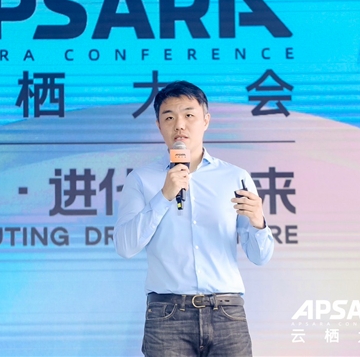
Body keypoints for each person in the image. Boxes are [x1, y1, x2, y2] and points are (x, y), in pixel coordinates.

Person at [114, 80, 274, 357]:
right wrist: (164, 196)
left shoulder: (235, 177)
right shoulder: (141, 179)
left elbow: (260, 256)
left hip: (227, 314)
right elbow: (125, 247)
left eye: (189, 115)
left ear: (206, 121)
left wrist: (258, 222)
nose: (179, 125)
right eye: (169, 117)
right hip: (167, 315)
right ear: (159, 125)